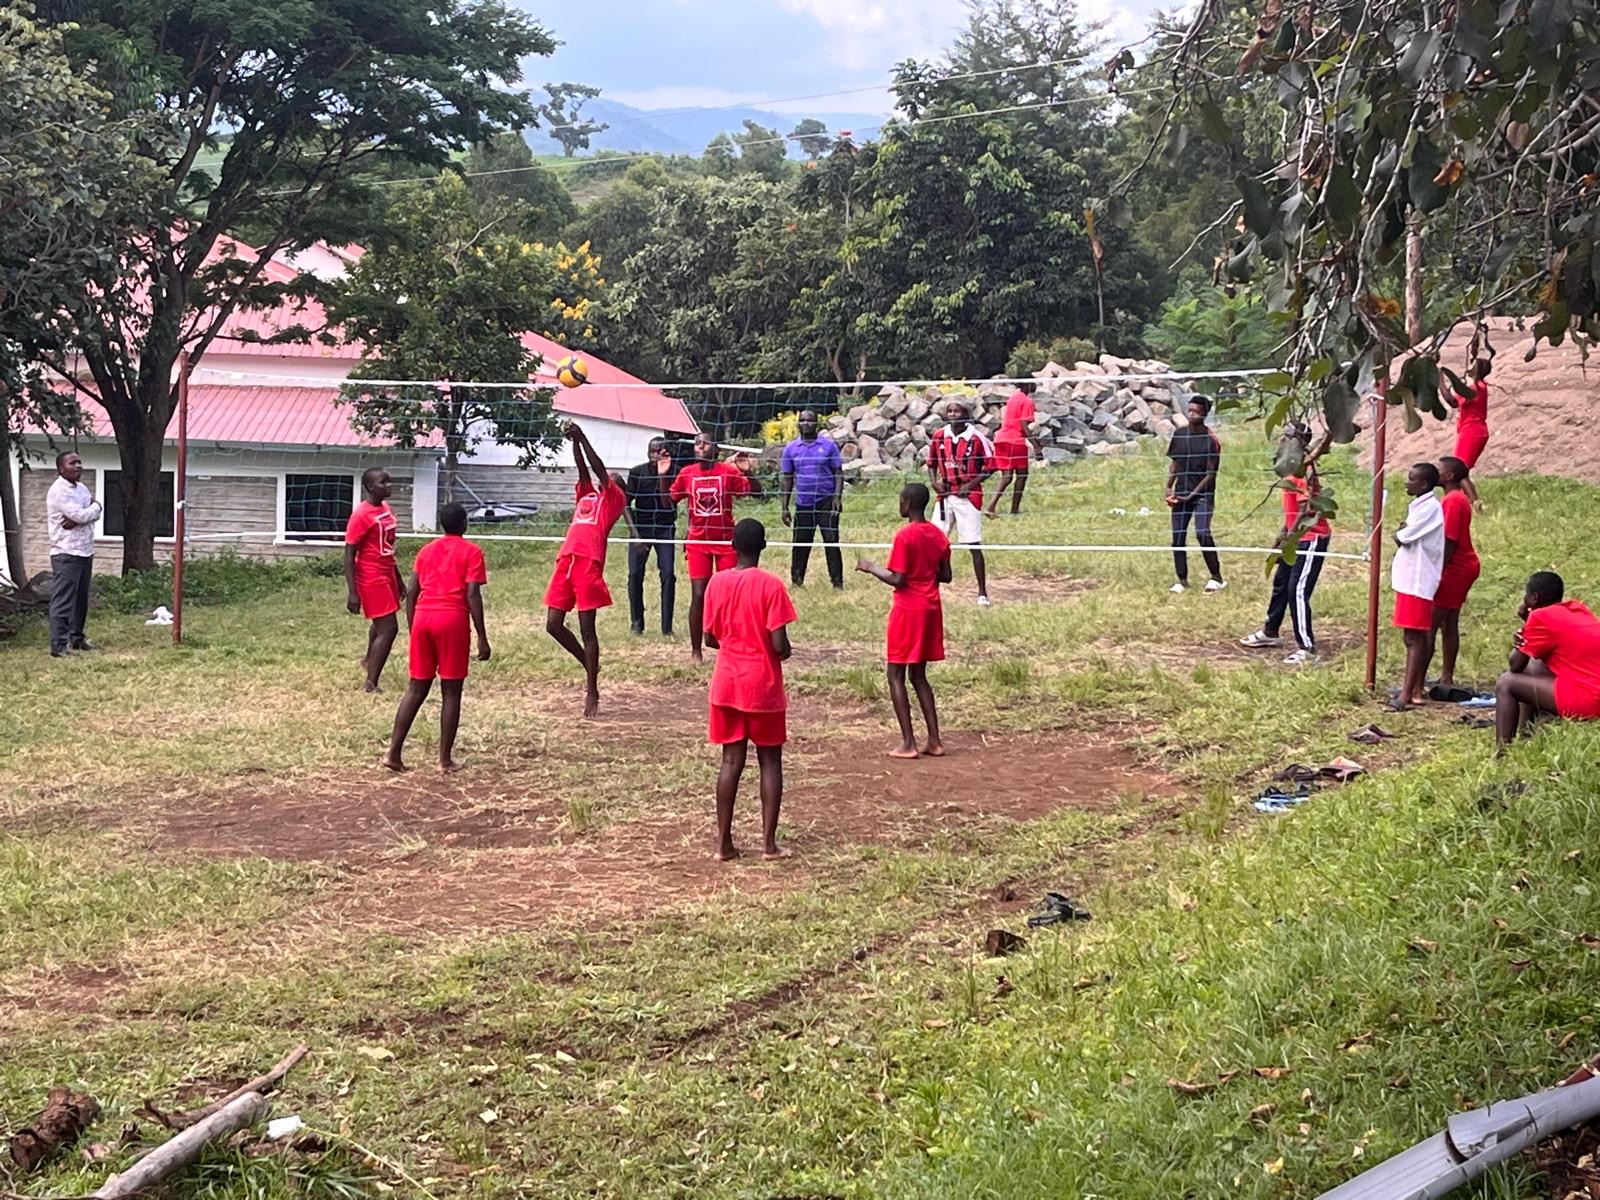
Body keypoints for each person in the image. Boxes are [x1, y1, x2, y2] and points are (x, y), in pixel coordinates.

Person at [702, 518, 797, 862]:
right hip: (763, 685)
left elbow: (710, 637)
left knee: (731, 761)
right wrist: (785, 651)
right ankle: (769, 844)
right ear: (764, 546)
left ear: (732, 546)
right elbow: (778, 644)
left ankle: (724, 844)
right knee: (770, 760)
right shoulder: (771, 586)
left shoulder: (716, 583)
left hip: (727, 682)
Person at [382, 502, 489, 773]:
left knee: (416, 688)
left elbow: (412, 591)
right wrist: (482, 637)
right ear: (464, 524)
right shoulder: (472, 552)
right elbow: (472, 595)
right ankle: (444, 759)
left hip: (423, 618)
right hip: (451, 619)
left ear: (442, 524)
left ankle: (393, 753)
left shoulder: (426, 551)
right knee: (451, 691)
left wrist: (412, 624)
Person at [857, 482, 951, 758]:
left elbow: (897, 578)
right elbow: (945, 575)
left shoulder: (905, 536)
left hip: (908, 608)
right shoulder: (937, 534)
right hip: (931, 606)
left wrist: (872, 567)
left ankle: (908, 742)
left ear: (908, 504)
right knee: (919, 674)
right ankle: (934, 740)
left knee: (895, 673)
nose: (899, 505)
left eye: (901, 500)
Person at [545, 423, 631, 718]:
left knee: (587, 629)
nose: (608, 480)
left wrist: (584, 437)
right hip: (566, 560)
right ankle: (587, 660)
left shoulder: (613, 500)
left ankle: (592, 689)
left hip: (588, 563)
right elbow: (584, 470)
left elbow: (598, 468)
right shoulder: (587, 495)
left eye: (614, 480)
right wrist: (574, 442)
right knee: (552, 625)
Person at [665, 434, 764, 663]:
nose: (700, 445)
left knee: (728, 594)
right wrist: (662, 475)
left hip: (726, 542)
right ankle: (696, 650)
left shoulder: (728, 472)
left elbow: (758, 493)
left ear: (716, 449)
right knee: (699, 594)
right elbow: (667, 500)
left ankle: (730, 643)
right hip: (698, 541)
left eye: (705, 442)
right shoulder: (687, 473)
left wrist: (747, 471)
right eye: (697, 442)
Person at [1240, 424, 1331, 664]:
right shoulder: (1289, 469)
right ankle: (1270, 632)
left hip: (1310, 538)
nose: (1282, 439)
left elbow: (1305, 510)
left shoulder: (1304, 469)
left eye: (1288, 436)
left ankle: (1307, 647)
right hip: (1294, 537)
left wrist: (1290, 539)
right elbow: (1292, 512)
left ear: (1298, 442)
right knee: (1281, 583)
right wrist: (1281, 538)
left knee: (1297, 591)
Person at [1495, 571, 1600, 751]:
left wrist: (1526, 624)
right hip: (1593, 685)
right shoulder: (1576, 608)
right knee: (1533, 666)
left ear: (1534, 598)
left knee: (1506, 682)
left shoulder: (1539, 617)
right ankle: (1525, 732)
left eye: (1526, 595)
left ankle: (1502, 753)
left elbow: (1515, 665)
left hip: (1589, 699)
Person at [925, 401, 994, 606]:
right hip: (945, 496)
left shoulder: (976, 437)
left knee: (973, 543)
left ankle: (982, 592)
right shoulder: (939, 436)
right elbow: (932, 463)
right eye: (950, 411)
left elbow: (990, 466)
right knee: (934, 542)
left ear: (965, 415)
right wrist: (934, 482)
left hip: (968, 496)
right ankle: (929, 584)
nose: (953, 414)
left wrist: (971, 484)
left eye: (957, 411)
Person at [345, 467, 406, 693]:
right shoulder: (361, 515)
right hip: (371, 576)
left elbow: (388, 548)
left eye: (389, 481)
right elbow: (349, 554)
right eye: (383, 482)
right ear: (370, 487)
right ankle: (371, 684)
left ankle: (368, 660)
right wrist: (353, 591)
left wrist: (398, 579)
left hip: (386, 572)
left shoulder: (385, 508)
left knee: (379, 624)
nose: (389, 485)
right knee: (389, 628)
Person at [1390, 462, 1445, 710]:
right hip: (1410, 579)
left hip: (1417, 580)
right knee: (1413, 636)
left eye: (1411, 478)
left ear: (1423, 484)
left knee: (1413, 637)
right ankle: (1413, 689)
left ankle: (1406, 695)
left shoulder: (1430, 508)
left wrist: (1401, 531)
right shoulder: (1421, 505)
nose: (1407, 482)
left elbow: (1404, 536)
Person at [1430, 455, 1481, 693]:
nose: (1435, 471)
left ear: (1449, 476)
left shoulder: (1451, 501)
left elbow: (1449, 542)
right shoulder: (1456, 498)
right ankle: (1445, 677)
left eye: (1439, 469)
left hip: (1455, 567)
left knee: (1431, 624)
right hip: (1463, 565)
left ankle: (1418, 681)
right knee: (1449, 623)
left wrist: (1436, 572)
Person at [1165, 396, 1226, 594]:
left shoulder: (1211, 441)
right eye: (1189, 410)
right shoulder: (1179, 435)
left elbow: (1211, 474)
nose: (1191, 414)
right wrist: (1169, 487)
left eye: (1195, 411)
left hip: (1202, 495)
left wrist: (1192, 495)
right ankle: (1182, 580)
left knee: (1202, 533)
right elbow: (1175, 462)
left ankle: (1216, 577)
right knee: (1178, 537)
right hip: (1181, 493)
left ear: (1204, 414)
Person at [45, 451, 103, 658]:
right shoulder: (59, 491)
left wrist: (91, 510)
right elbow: (79, 514)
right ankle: (58, 646)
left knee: (80, 600)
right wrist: (84, 514)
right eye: (72, 463)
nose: (78, 465)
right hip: (66, 553)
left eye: (79, 462)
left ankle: (76, 639)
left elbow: (93, 509)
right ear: (61, 469)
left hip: (85, 550)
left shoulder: (82, 488)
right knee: (64, 600)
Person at [780, 409, 845, 590]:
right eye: (802, 420)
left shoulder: (828, 446)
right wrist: (785, 507)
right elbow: (787, 479)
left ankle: (837, 583)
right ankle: (797, 581)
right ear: (798, 423)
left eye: (810, 420)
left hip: (826, 501)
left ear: (817, 423)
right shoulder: (791, 449)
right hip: (803, 504)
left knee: (831, 541)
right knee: (800, 543)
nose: (806, 423)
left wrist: (837, 497)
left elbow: (838, 473)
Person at [626, 437, 678, 637]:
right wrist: (635, 535)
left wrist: (663, 476)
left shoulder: (675, 472)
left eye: (659, 451)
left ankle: (667, 628)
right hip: (642, 527)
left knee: (667, 575)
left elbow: (671, 504)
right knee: (634, 575)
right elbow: (625, 503)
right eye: (652, 451)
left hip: (665, 527)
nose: (655, 455)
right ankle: (636, 624)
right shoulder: (637, 473)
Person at [986, 386, 1045, 516]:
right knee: (1021, 474)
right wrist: (1036, 446)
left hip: (1001, 438)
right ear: (1027, 385)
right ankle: (1013, 509)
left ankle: (991, 506)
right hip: (1015, 440)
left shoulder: (1013, 398)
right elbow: (1024, 425)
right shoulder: (1027, 401)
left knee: (1006, 475)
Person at [1445, 357, 1490, 511]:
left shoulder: (1476, 388)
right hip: (1474, 430)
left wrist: (1440, 382)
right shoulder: (1479, 387)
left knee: (1459, 471)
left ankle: (1475, 504)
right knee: (1461, 470)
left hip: (1471, 431)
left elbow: (1452, 402)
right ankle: (1463, 502)